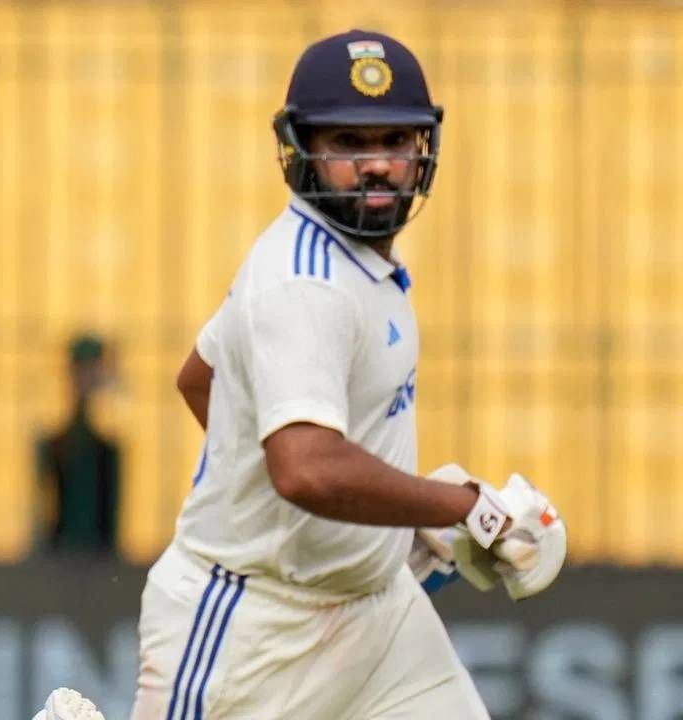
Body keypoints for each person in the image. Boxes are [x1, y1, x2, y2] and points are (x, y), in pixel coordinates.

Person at [130, 30, 566, 719]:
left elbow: (202, 378)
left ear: (423, 148)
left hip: (378, 616)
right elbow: (306, 469)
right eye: (349, 144)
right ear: (300, 150)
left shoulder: (356, 260)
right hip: (256, 629)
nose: (379, 165)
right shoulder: (303, 281)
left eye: (395, 142)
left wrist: (379, 527)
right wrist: (461, 506)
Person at [37, 335, 121, 556]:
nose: (88, 378)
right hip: (62, 555)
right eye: (83, 370)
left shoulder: (107, 448)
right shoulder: (56, 444)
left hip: (98, 556)